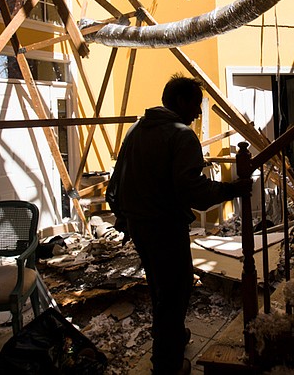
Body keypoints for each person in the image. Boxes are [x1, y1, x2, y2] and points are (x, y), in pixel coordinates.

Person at [106, 74, 252, 375]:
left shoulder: (136, 129)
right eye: (196, 105)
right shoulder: (181, 135)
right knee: (176, 292)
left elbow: (116, 180)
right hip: (164, 227)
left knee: (161, 289)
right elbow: (193, 192)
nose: (198, 113)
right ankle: (167, 364)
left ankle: (171, 338)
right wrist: (231, 190)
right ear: (182, 102)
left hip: (139, 226)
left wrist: (123, 215)